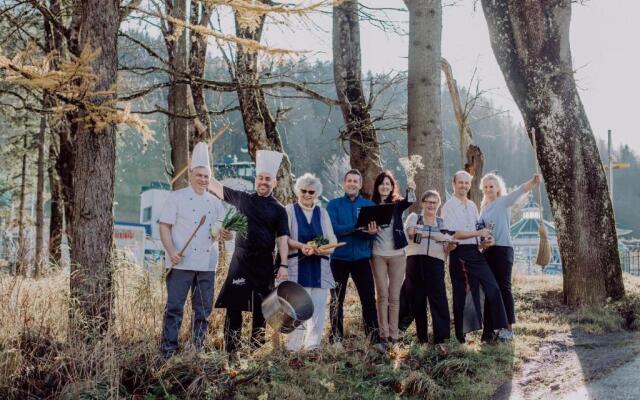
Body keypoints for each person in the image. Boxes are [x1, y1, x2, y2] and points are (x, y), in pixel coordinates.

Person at [208, 150, 290, 355]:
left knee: (261, 309)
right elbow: (218, 188)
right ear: (256, 180)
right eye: (261, 178)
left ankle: (256, 351)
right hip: (240, 261)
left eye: (267, 179)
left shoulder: (279, 210)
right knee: (234, 306)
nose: (264, 182)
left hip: (264, 263)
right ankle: (231, 351)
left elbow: (282, 239)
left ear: (274, 183)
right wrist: (202, 171)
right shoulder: (243, 199)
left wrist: (284, 265)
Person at [158, 142, 232, 359]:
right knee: (174, 308)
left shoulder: (216, 203)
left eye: (206, 177)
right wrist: (171, 251)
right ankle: (168, 351)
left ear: (211, 179)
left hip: (207, 264)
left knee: (203, 311)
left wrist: (227, 234)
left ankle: (196, 349)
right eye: (199, 175)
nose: (203, 180)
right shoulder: (176, 197)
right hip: (180, 262)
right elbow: (164, 226)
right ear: (191, 175)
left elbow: (220, 231)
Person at [441, 170, 508, 343]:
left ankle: (491, 332)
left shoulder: (472, 205)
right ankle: (460, 336)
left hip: (475, 252)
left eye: (466, 183)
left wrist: (484, 241)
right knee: (461, 295)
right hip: (459, 253)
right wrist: (478, 232)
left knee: (492, 288)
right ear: (454, 184)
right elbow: (454, 233)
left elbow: (477, 233)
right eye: (460, 182)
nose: (464, 185)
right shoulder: (448, 206)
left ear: (470, 185)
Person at [326, 169, 385, 351]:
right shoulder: (333, 205)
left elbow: (369, 236)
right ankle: (336, 339)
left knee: (368, 299)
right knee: (337, 300)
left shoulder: (368, 206)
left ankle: (374, 340)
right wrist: (357, 227)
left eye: (355, 181)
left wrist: (371, 233)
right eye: (349, 180)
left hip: (361, 260)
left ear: (360, 185)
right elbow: (333, 229)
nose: (352, 184)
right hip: (339, 259)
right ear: (344, 183)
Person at [479, 173, 541, 341]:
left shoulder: (503, 202)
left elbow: (521, 190)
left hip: (503, 250)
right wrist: (483, 242)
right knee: (490, 289)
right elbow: (481, 231)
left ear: (498, 188)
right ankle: (491, 329)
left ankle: (508, 329)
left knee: (504, 288)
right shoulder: (483, 208)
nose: (488, 189)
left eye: (491, 186)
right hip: (488, 252)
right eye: (485, 187)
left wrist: (533, 182)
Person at [284, 173, 337, 352]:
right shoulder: (289, 210)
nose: (307, 194)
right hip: (297, 265)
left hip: (319, 267)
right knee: (298, 307)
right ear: (298, 190)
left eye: (311, 192)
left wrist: (324, 249)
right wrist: (302, 247)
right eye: (303, 190)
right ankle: (293, 347)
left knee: (318, 308)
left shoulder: (322, 213)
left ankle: (312, 346)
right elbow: (285, 239)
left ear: (316, 193)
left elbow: (332, 239)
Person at [401, 190, 452, 345]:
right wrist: (435, 235)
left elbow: (446, 246)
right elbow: (410, 233)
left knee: (438, 299)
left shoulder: (442, 222)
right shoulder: (414, 217)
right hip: (415, 261)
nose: (431, 205)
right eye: (428, 202)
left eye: (434, 202)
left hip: (436, 262)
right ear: (422, 203)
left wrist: (449, 245)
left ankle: (440, 339)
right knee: (417, 300)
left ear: (438, 205)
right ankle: (421, 338)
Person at [370, 171, 415, 344]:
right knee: (382, 295)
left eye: (388, 184)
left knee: (394, 297)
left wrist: (411, 188)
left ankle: (394, 335)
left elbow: (409, 200)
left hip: (397, 255)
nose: (385, 186)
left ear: (392, 187)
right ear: (377, 186)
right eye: (382, 183)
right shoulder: (371, 205)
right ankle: (383, 334)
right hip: (377, 255)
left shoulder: (396, 205)